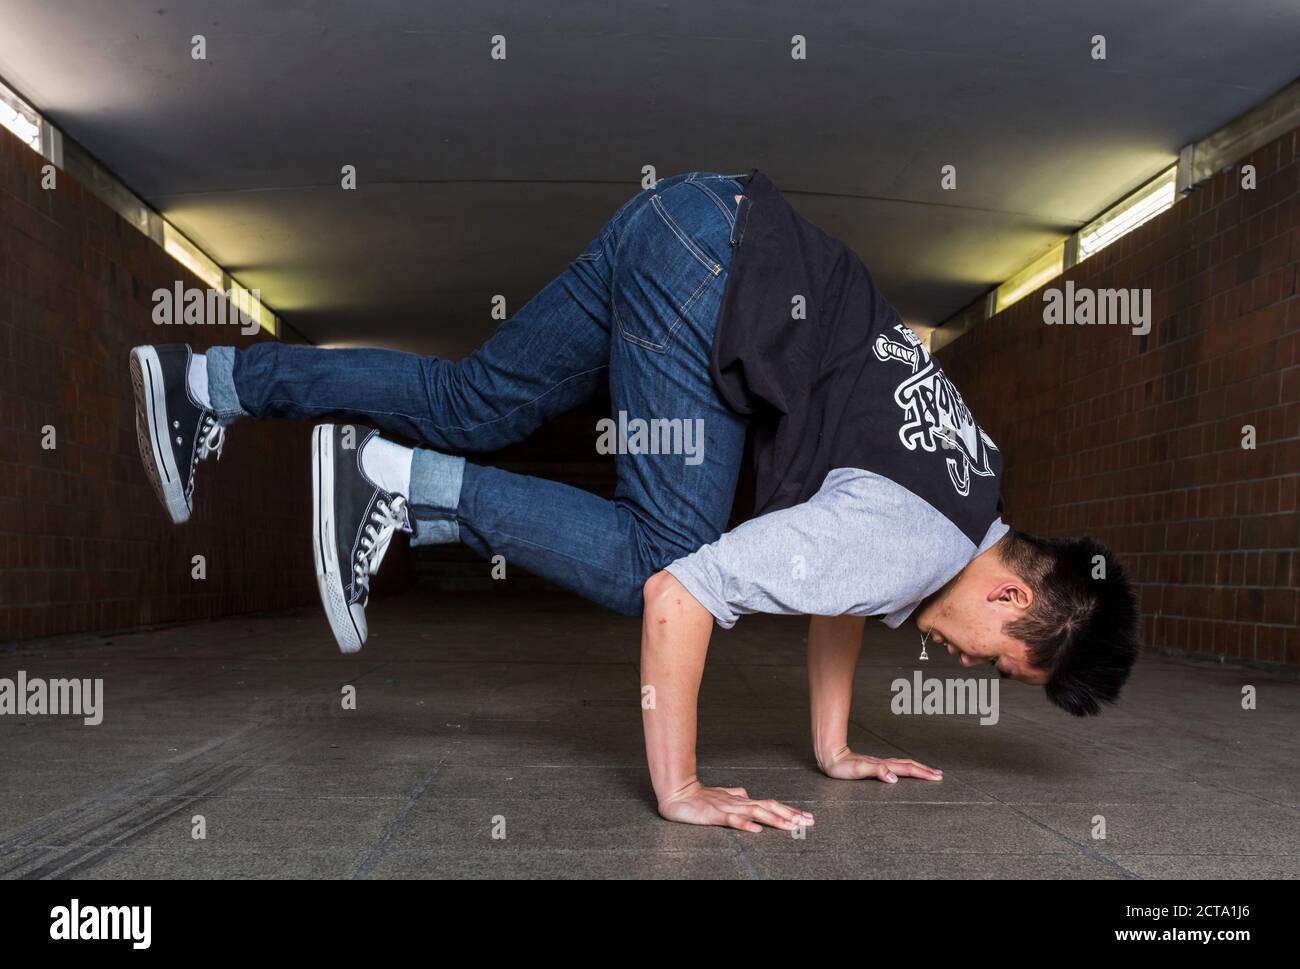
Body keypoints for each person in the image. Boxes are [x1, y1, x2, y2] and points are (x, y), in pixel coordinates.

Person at [129, 170, 1140, 833]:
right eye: (996, 661)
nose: (964, 662)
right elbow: (678, 599)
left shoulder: (971, 490)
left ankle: (208, 381)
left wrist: (833, 752)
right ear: (1014, 601)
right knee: (660, 555)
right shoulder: (913, 543)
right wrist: (682, 787)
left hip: (688, 219)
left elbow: (842, 585)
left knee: (471, 399)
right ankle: (394, 482)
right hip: (717, 279)